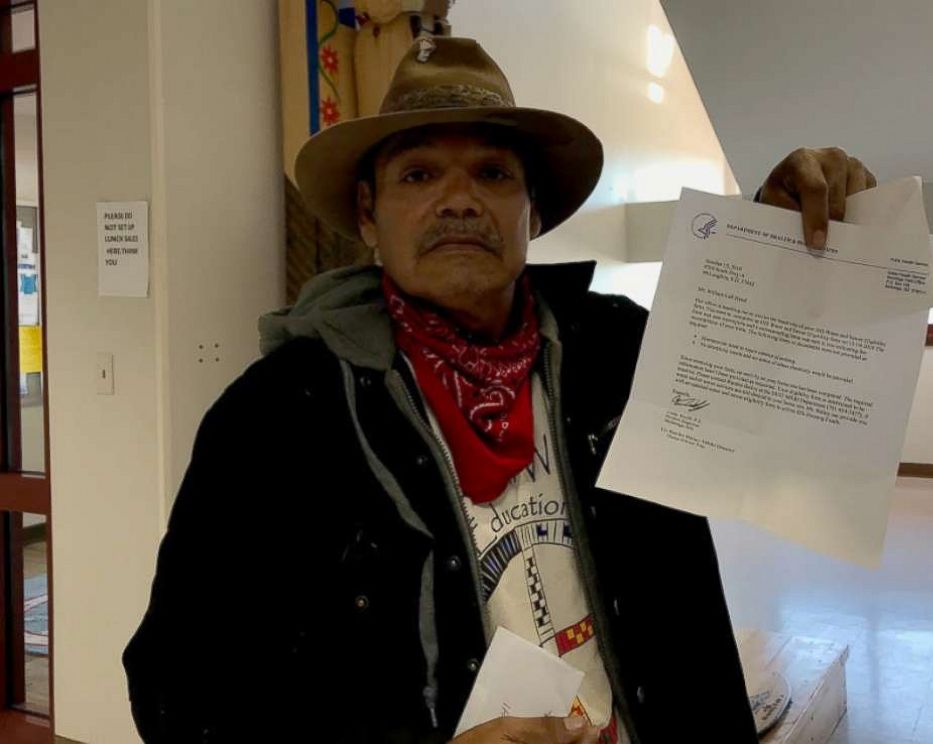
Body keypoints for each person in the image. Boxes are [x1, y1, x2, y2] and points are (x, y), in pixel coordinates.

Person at [123, 37, 876, 744]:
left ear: (533, 213)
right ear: (368, 215)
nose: (458, 200)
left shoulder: (622, 349)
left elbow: (780, 418)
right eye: (418, 175)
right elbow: (177, 691)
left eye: (492, 174)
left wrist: (799, 246)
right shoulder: (280, 414)